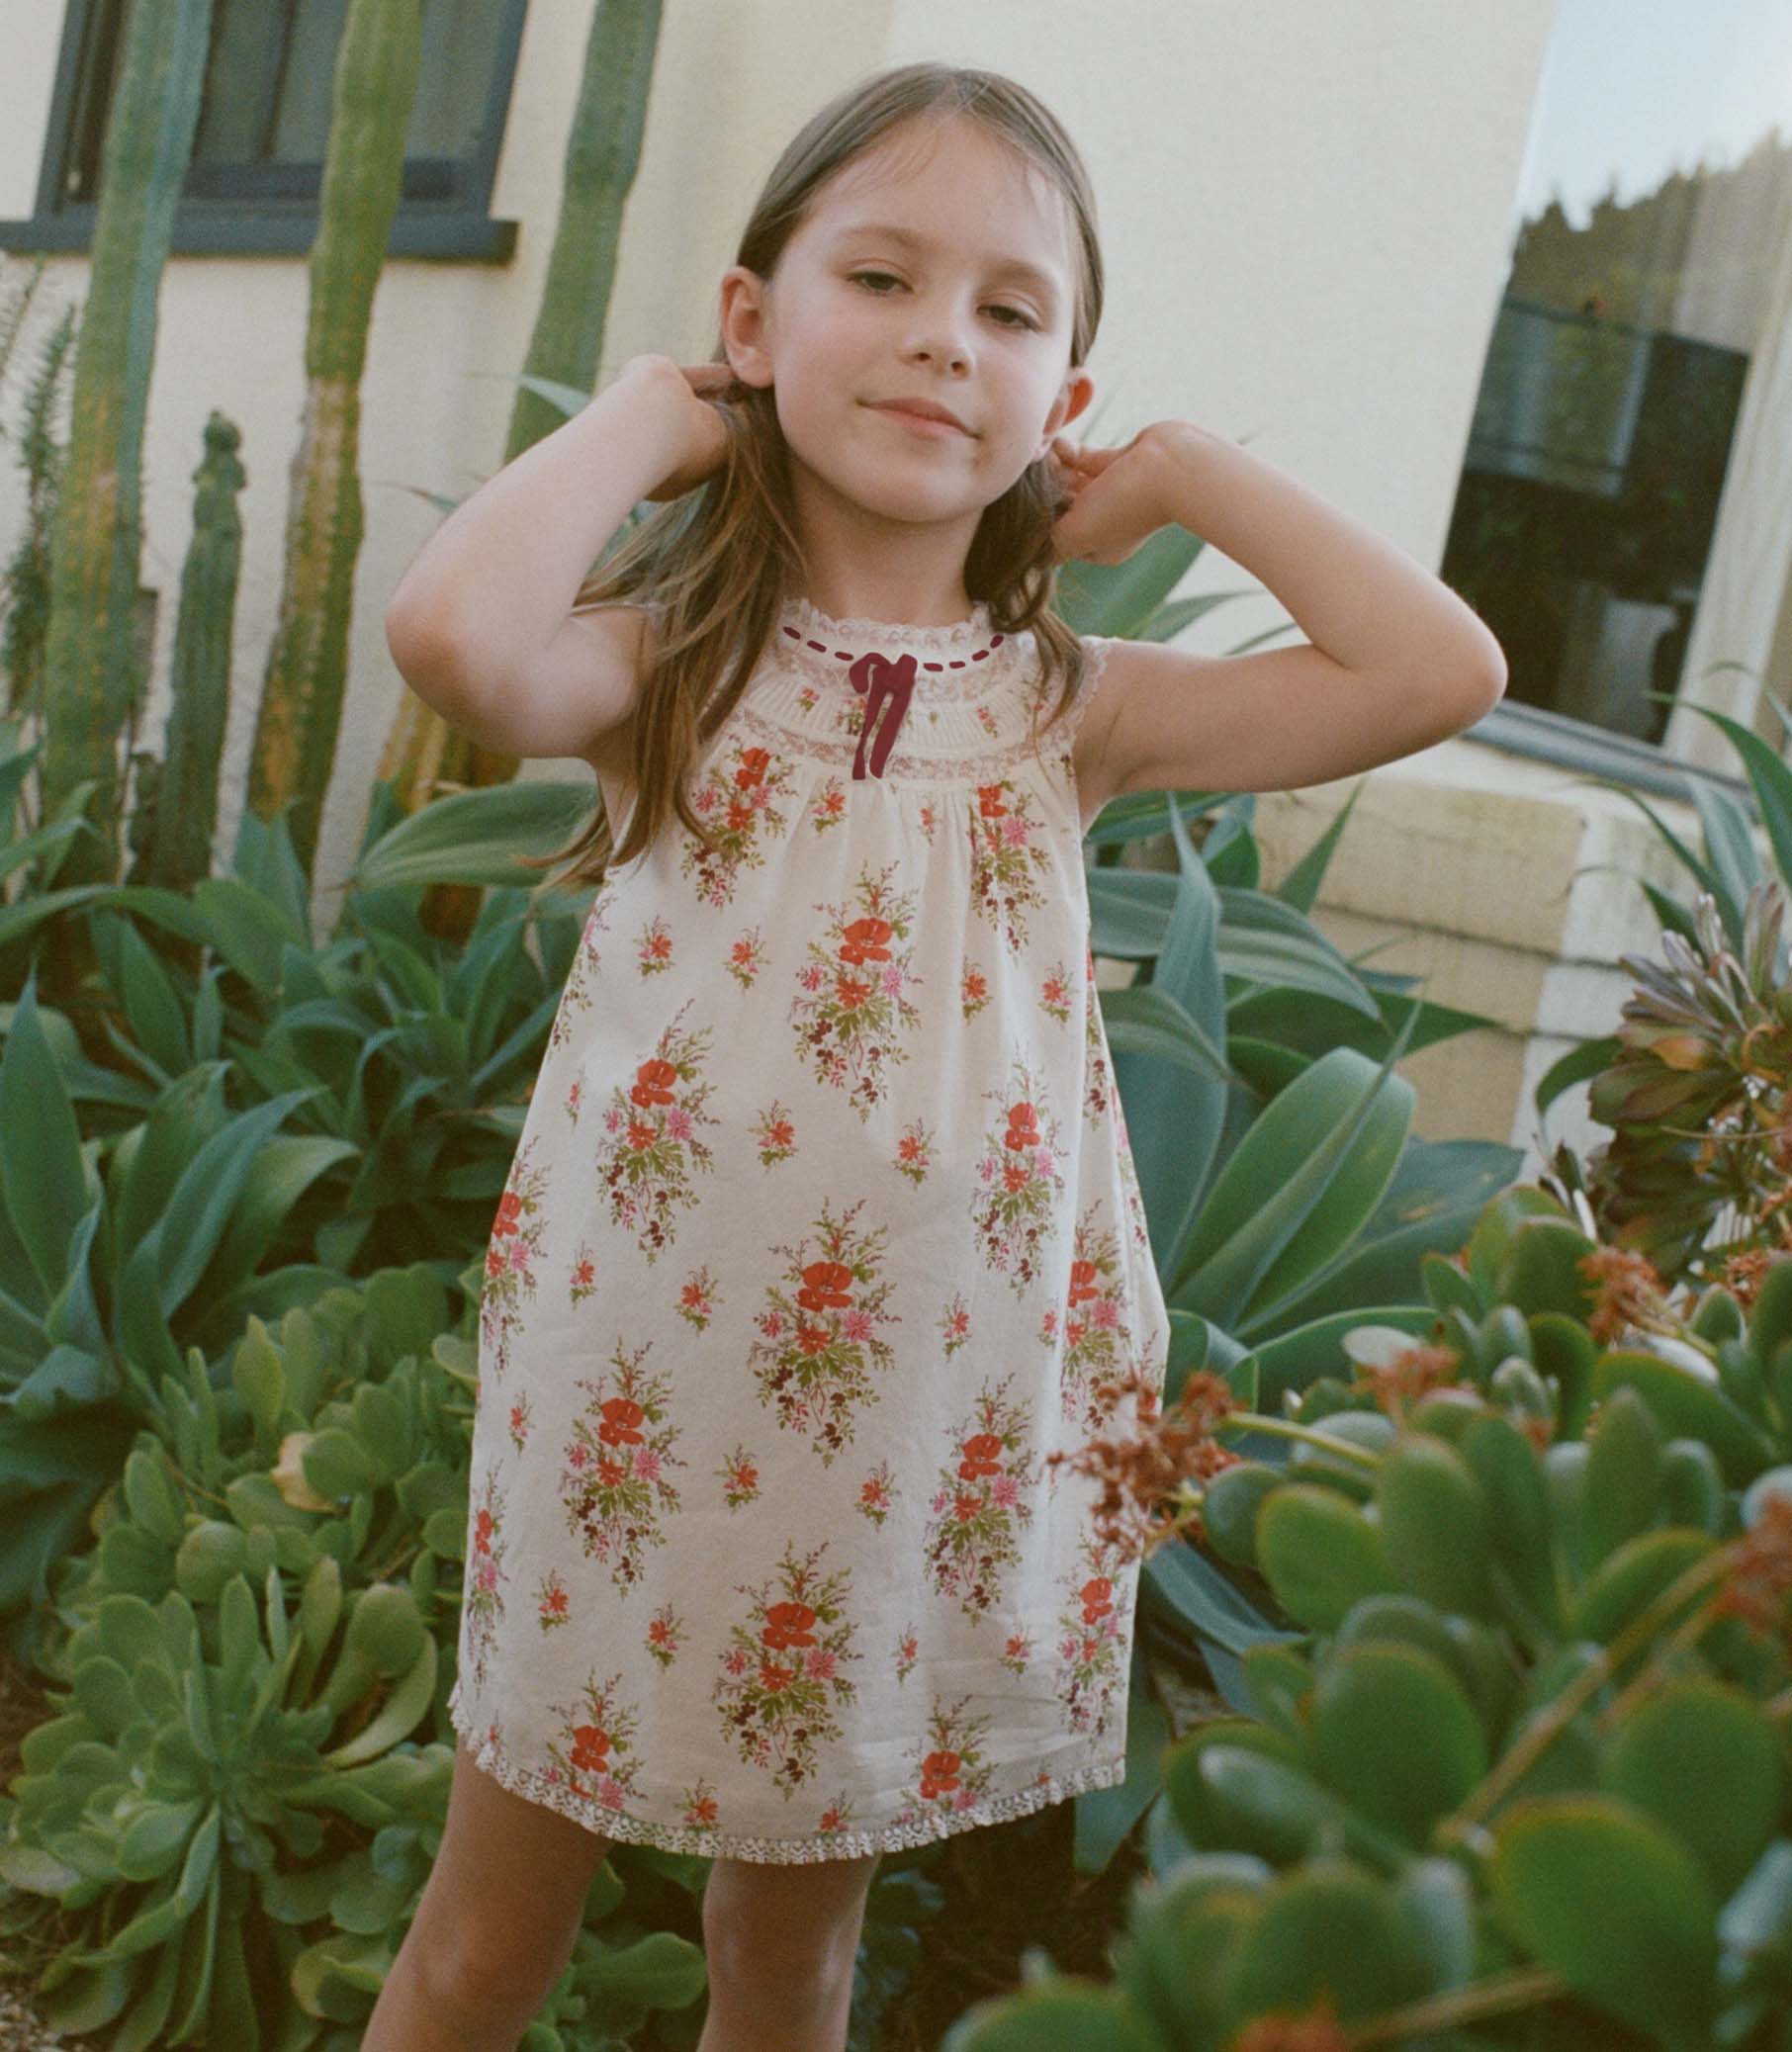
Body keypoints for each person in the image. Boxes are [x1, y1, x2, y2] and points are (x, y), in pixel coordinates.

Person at [364, 56, 1506, 2052]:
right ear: (755, 323)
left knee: (787, 1957)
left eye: (1006, 311)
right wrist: (657, 421)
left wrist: (1180, 472)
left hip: (911, 1447)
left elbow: (1441, 670)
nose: (936, 344)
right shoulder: (671, 664)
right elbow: (458, 638)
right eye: (877, 278)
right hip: (635, 1416)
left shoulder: (1076, 706)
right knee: (485, 1946)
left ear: (1056, 394)